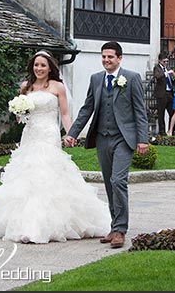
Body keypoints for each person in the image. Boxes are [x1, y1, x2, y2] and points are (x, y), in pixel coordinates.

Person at [0, 50, 111, 244]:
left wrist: (71, 134)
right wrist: (19, 111)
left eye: (43, 65)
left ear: (50, 67)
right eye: (36, 65)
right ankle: (25, 224)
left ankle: (52, 223)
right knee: (28, 175)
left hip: (49, 134)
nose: (39, 68)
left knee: (48, 173)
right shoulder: (25, 87)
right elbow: (21, 118)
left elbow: (65, 114)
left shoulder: (57, 87)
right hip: (30, 134)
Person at [64, 41, 149, 249]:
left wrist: (142, 139)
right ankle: (114, 226)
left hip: (123, 137)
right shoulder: (96, 79)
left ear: (119, 58)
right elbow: (87, 109)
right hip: (102, 137)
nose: (106, 60)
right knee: (110, 184)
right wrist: (72, 133)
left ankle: (121, 229)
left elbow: (140, 110)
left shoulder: (131, 78)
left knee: (118, 180)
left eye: (110, 57)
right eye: (103, 57)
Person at [153, 52, 175, 135]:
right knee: (161, 113)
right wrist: (166, 73)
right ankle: (161, 131)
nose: (166, 63)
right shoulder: (157, 68)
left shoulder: (168, 68)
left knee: (172, 113)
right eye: (164, 61)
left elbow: (173, 80)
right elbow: (157, 76)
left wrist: (173, 76)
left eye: (167, 61)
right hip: (161, 93)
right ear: (160, 61)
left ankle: (171, 130)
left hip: (170, 92)